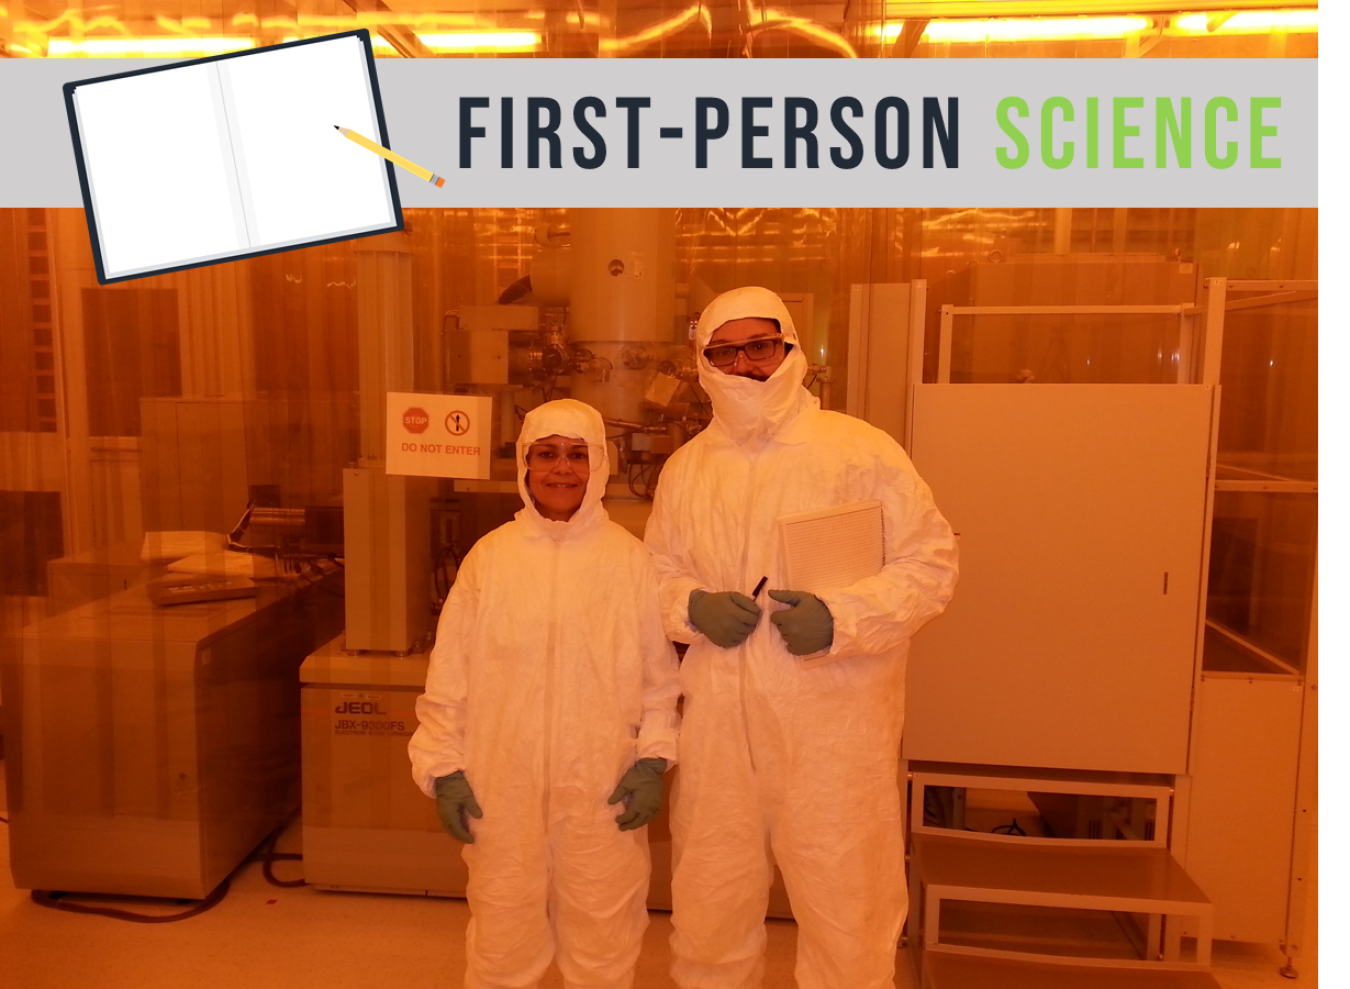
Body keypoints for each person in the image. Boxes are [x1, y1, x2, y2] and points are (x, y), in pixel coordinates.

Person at [644, 286, 958, 989]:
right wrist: (690, 607)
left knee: (848, 917)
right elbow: (654, 577)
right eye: (725, 350)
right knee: (708, 912)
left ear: (791, 350)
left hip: (833, 732)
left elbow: (931, 564)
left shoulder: (859, 449)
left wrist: (843, 619)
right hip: (720, 731)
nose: (745, 364)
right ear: (704, 362)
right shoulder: (688, 469)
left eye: (759, 345)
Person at [409, 398, 681, 989]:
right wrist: (444, 767)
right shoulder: (491, 560)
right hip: (500, 791)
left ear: (600, 465)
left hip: (601, 791)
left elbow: (659, 681)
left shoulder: (628, 562)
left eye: (577, 455)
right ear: (524, 465)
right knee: (502, 944)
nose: (563, 470)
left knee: (605, 946)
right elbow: (448, 676)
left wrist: (653, 760)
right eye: (547, 454)